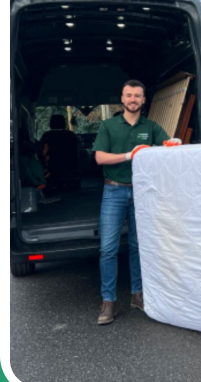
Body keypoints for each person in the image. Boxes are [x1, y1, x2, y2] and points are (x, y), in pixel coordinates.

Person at [92, 79, 181, 325]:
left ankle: (137, 295)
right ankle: (108, 301)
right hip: (114, 192)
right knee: (108, 249)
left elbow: (165, 149)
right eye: (128, 95)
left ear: (143, 100)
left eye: (137, 96)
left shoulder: (151, 127)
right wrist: (129, 155)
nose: (133, 99)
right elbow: (99, 157)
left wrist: (173, 145)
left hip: (142, 193)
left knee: (138, 247)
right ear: (122, 99)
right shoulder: (108, 126)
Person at [39, 114, 80, 195]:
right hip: (69, 167)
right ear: (64, 123)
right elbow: (76, 154)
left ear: (51, 123)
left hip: (52, 168)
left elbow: (42, 153)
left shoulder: (46, 136)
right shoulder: (70, 135)